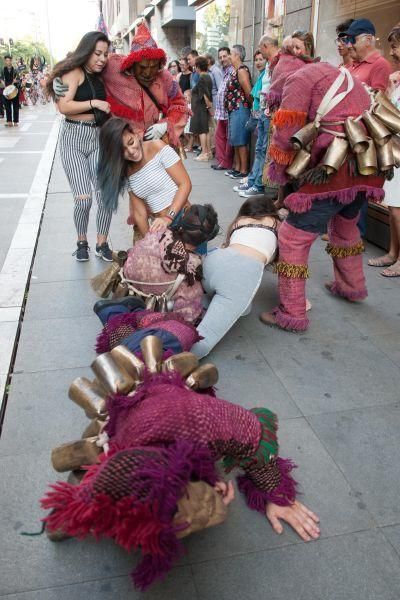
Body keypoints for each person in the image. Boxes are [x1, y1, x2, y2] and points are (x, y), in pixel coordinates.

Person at [42, 327, 320, 591]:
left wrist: (275, 492)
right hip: (141, 392)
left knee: (167, 331)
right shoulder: (110, 464)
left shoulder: (207, 421)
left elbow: (259, 427)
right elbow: (69, 514)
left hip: (163, 370)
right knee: (133, 326)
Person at [259, 60, 386, 332]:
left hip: (332, 171)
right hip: (366, 166)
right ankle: (351, 287)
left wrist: (281, 176)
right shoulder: (335, 72)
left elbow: (286, 134)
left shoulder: (296, 81)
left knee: (292, 238)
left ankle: (291, 312)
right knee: (345, 226)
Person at [53, 22, 189, 149]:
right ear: (131, 63)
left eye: (153, 67)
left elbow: (181, 106)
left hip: (155, 146)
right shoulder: (112, 66)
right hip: (122, 147)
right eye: (142, 67)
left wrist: (166, 124)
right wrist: (59, 77)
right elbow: (84, 61)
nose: (148, 73)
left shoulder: (165, 78)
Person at [46, 31, 113, 263]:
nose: (102, 58)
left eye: (105, 54)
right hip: (73, 139)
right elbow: (64, 106)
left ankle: (102, 243)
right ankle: (81, 241)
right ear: (86, 51)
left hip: (97, 139)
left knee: (106, 196)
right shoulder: (73, 71)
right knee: (83, 200)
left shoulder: (103, 73)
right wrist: (94, 102)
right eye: (97, 53)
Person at [191, 197, 279, 358]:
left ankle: (191, 305)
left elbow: (226, 245)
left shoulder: (240, 220)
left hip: (214, 260)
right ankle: (175, 361)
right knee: (206, 336)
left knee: (237, 304)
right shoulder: (276, 224)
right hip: (241, 274)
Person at [116, 204, 219, 323]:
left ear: (181, 223)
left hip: (128, 279)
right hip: (154, 301)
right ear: (206, 239)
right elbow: (186, 315)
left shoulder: (158, 231)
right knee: (192, 299)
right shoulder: (190, 271)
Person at [339, 18, 393, 237]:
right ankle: (344, 228)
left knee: (359, 184)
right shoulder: (354, 64)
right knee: (347, 181)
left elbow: (377, 102)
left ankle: (354, 234)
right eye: (347, 39)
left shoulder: (380, 65)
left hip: (363, 135)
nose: (349, 44)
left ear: (369, 39)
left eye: (353, 39)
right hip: (348, 131)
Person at [97, 117, 192, 239]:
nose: (131, 151)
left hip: (184, 221)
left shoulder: (157, 146)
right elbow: (139, 213)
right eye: (123, 151)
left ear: (136, 134)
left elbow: (185, 184)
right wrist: (149, 242)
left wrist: (169, 217)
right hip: (161, 228)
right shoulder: (126, 171)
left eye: (131, 142)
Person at [368, 24, 400, 276]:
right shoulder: (397, 77)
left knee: (398, 209)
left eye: (395, 45)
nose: (393, 52)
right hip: (394, 149)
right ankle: (393, 252)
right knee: (392, 207)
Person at [235, 37, 279, 198]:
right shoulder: (270, 66)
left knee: (263, 150)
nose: (259, 59)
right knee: (260, 149)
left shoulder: (277, 63)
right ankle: (254, 180)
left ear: (266, 46)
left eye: (261, 51)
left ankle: (259, 183)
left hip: (269, 113)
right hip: (263, 111)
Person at [225, 44, 252, 179]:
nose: (229, 56)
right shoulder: (234, 70)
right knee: (235, 139)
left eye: (231, 53)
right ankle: (237, 167)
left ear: (237, 55)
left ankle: (243, 170)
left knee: (241, 140)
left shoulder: (242, 70)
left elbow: (248, 91)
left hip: (241, 107)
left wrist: (252, 107)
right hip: (233, 108)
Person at [211, 46, 235, 172]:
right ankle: (221, 161)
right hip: (221, 112)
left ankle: (226, 163)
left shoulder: (233, 70)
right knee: (219, 137)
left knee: (227, 138)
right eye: (220, 57)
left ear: (230, 55)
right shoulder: (224, 71)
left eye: (225, 56)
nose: (222, 59)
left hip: (229, 111)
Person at [190, 56, 213, 161]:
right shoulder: (207, 76)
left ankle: (204, 153)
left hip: (200, 107)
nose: (195, 68)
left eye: (195, 66)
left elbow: (205, 95)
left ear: (198, 67)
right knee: (205, 130)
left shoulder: (203, 78)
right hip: (203, 107)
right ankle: (208, 152)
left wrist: (209, 107)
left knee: (202, 130)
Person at [1, 55, 20, 127]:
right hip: (6, 89)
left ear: (11, 61)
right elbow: (1, 78)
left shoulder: (15, 69)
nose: (7, 62)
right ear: (5, 61)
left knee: (15, 106)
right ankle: (9, 121)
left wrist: (16, 80)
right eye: (6, 60)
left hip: (14, 88)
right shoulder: (3, 69)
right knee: (7, 106)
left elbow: (18, 78)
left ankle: (15, 121)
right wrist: (3, 84)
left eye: (9, 60)